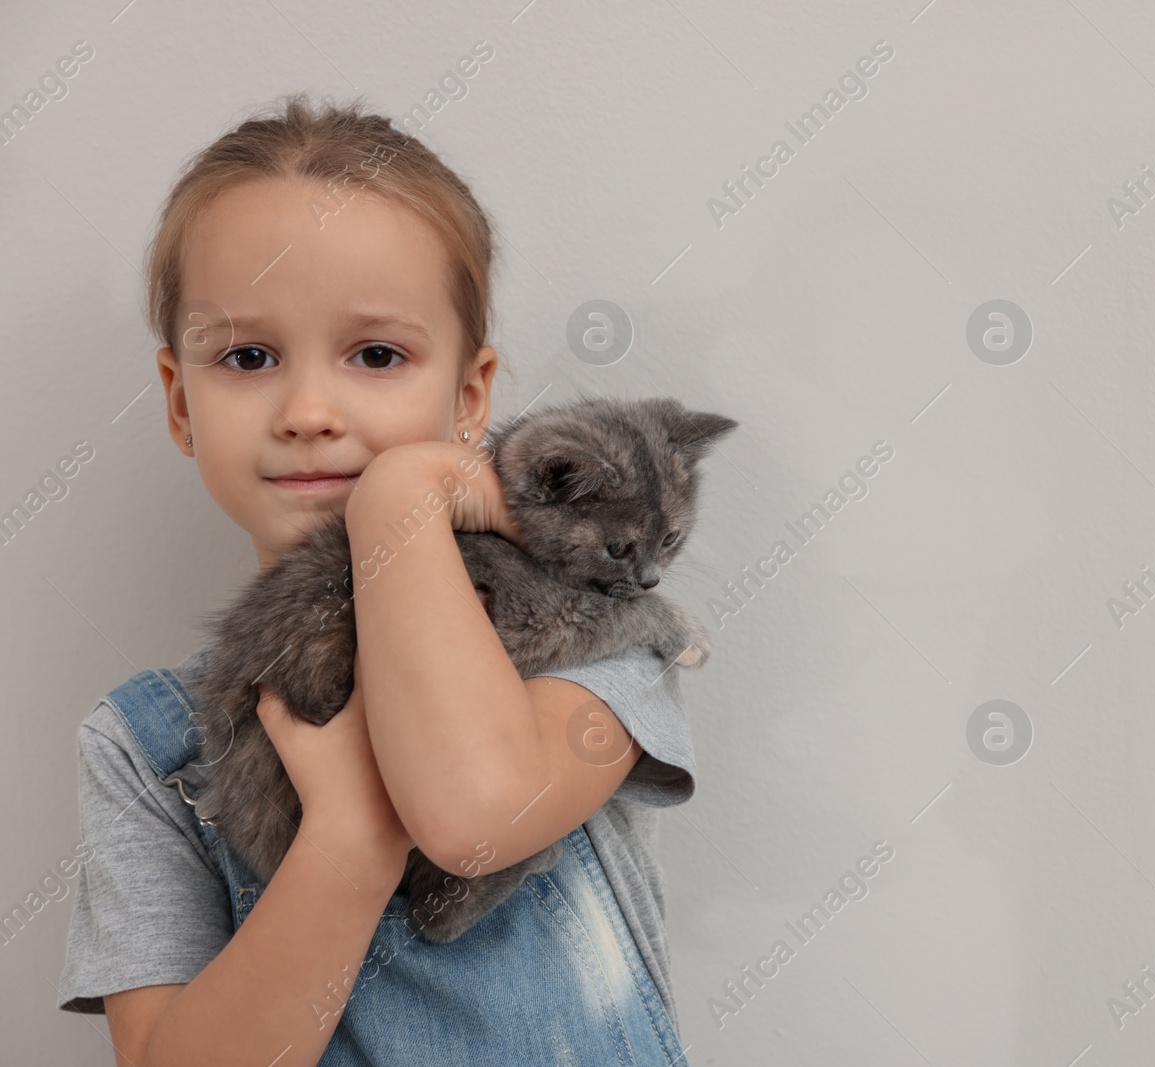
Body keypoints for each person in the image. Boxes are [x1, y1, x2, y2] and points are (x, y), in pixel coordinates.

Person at [55, 92, 698, 1066]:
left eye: (376, 353)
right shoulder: (145, 747)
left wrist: (401, 497)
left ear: (469, 396)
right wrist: (346, 841)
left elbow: (477, 813)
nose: (309, 407)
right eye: (249, 355)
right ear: (181, 402)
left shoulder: (595, 632)